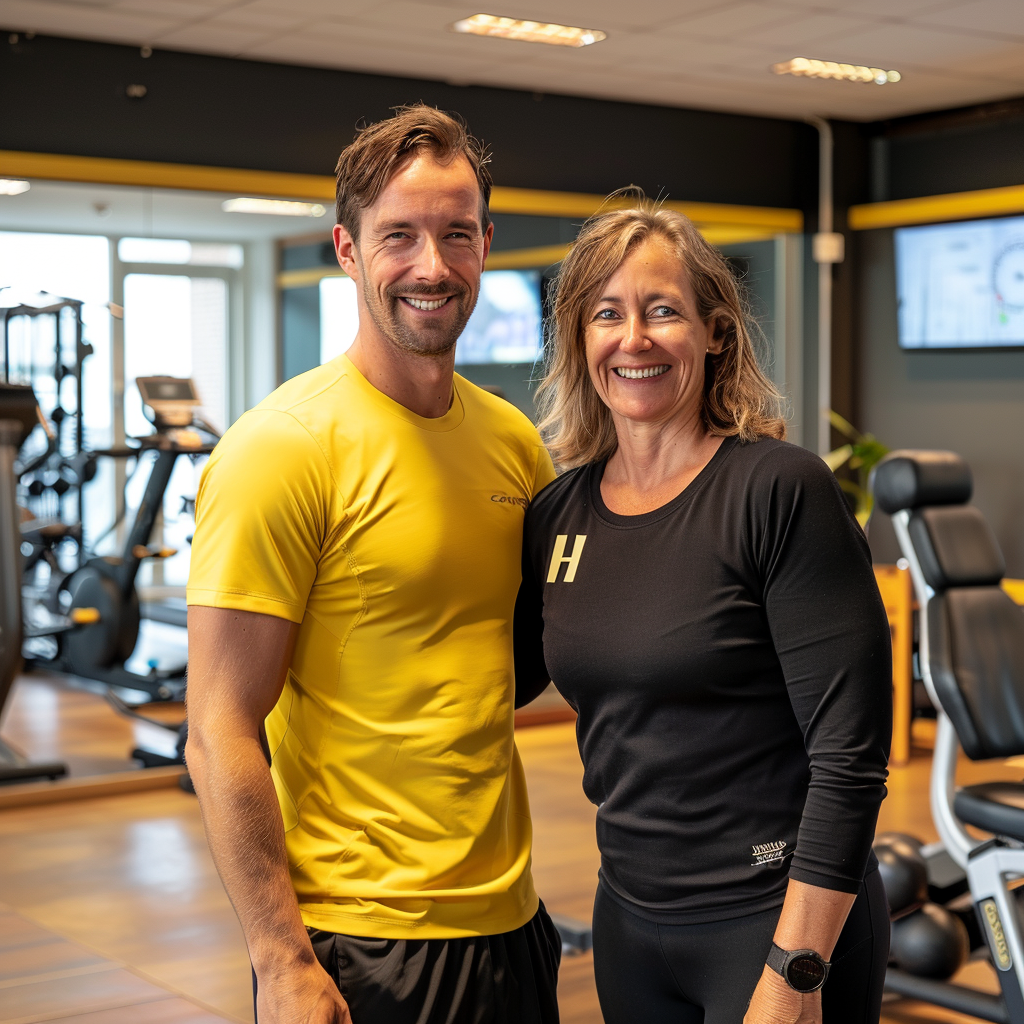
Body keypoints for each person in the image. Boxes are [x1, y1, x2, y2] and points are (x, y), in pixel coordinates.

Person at [185, 105, 560, 1024]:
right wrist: (280, 960)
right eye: (399, 236)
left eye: (456, 235)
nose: (432, 267)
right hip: (360, 936)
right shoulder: (282, 447)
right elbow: (218, 728)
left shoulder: (515, 443)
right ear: (348, 251)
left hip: (512, 919)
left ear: (486, 245)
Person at [514, 197, 892, 1024]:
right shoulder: (559, 514)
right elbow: (488, 681)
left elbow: (851, 758)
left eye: (663, 311)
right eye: (606, 314)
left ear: (715, 330)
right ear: (580, 340)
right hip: (631, 918)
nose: (634, 338)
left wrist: (794, 976)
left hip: (771, 923)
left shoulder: (778, 490)